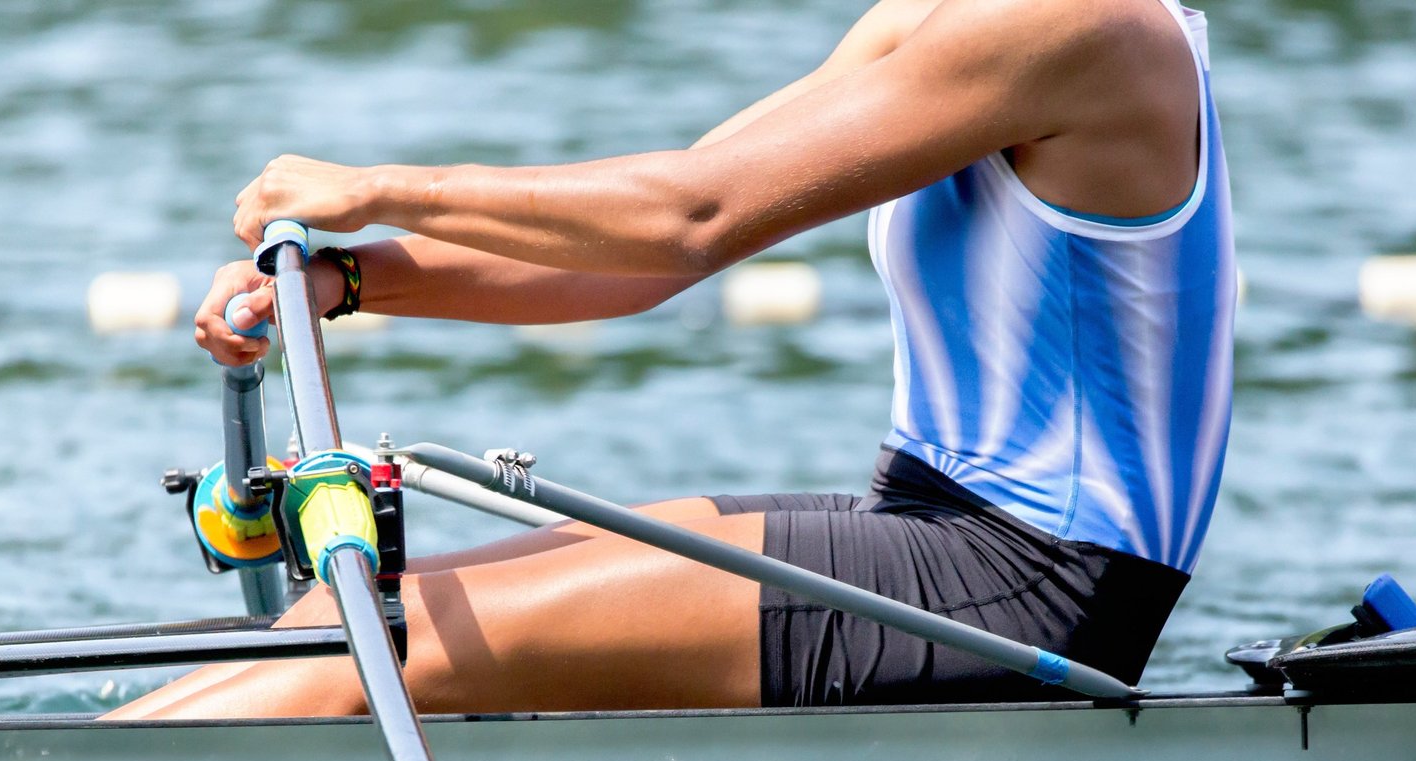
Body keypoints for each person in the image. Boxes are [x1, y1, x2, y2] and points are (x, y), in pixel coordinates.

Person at [113, 0, 1234, 720]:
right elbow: (649, 250)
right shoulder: (935, 22)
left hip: (1027, 588)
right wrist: (352, 277)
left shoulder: (1079, 25)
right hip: (929, 529)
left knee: (374, 648)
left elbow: (690, 216)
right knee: (336, 624)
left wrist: (384, 186)